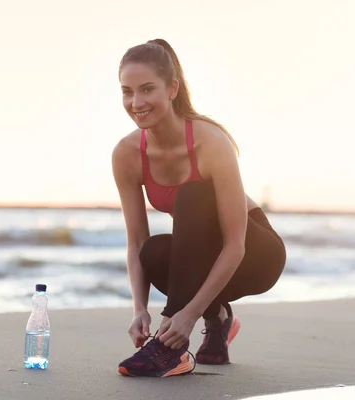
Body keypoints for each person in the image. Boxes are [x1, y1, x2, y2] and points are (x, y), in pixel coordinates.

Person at [111, 38, 287, 378]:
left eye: (147, 89)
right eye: (127, 92)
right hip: (201, 258)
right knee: (153, 252)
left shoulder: (211, 142)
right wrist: (139, 309)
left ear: (173, 88)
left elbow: (236, 245)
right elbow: (135, 242)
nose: (136, 102)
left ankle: (170, 348)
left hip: (256, 256)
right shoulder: (126, 154)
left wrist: (184, 316)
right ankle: (218, 320)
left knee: (192, 195)